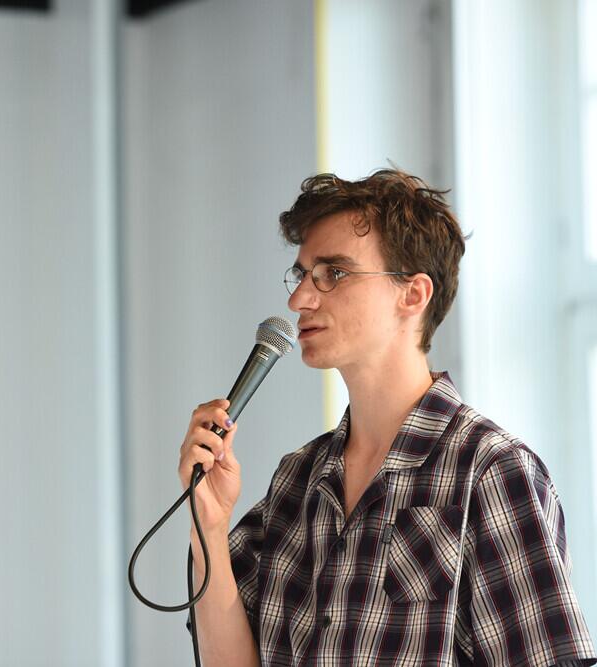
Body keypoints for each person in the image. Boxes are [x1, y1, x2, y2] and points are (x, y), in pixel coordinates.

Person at [178, 169, 596, 666]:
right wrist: (209, 525)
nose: (298, 300)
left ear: (412, 295)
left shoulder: (490, 471)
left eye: (334, 273)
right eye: (301, 275)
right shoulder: (297, 479)